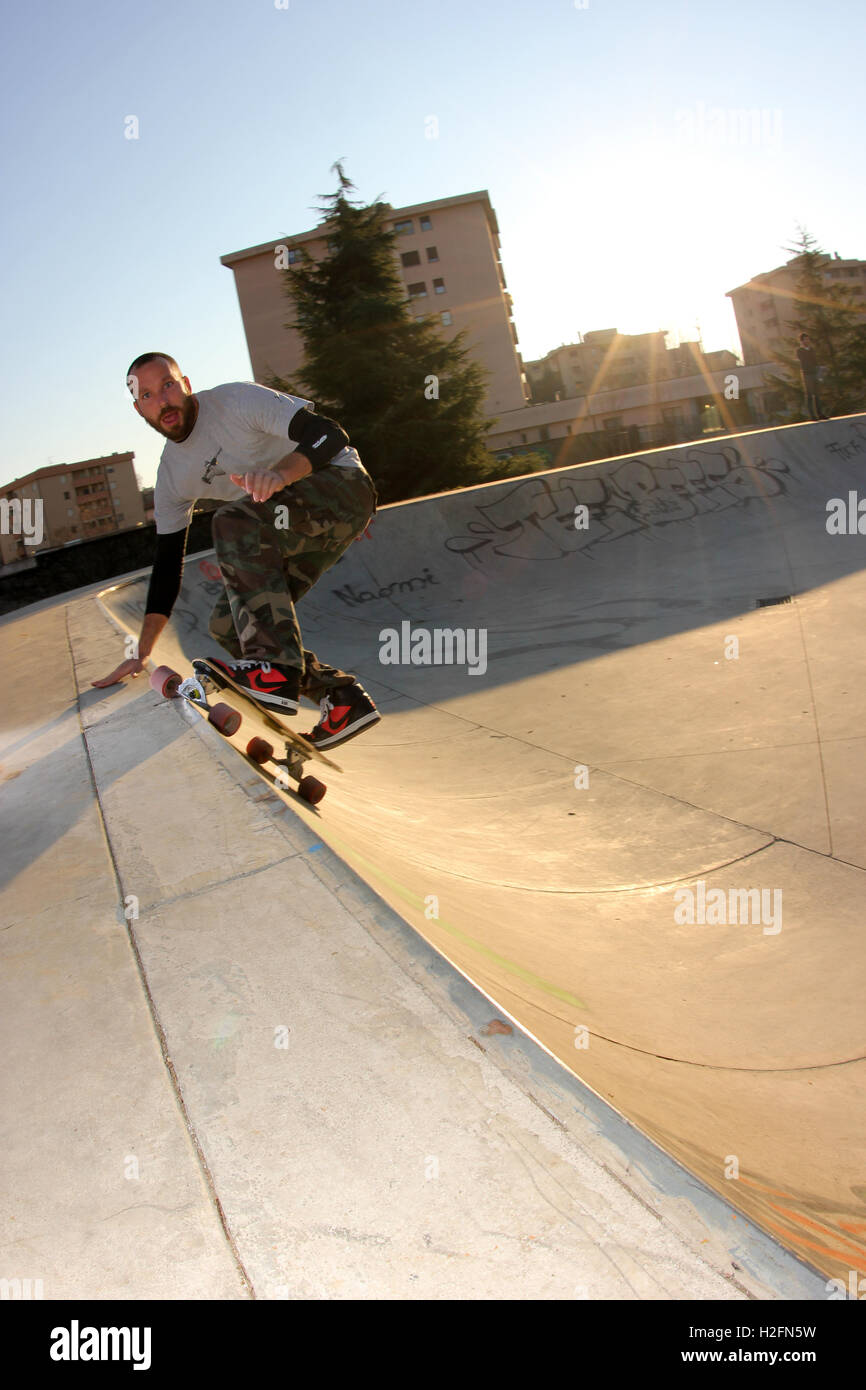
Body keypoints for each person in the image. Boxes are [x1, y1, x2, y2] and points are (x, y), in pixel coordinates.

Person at [93, 353, 380, 749]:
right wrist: (141, 653)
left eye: (168, 385)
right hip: (290, 527)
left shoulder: (236, 402)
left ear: (187, 384)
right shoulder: (171, 476)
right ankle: (341, 699)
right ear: (139, 409)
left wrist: (280, 475)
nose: (163, 401)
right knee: (230, 625)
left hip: (340, 486)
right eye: (147, 396)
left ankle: (274, 668)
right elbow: (166, 566)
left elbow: (328, 434)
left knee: (232, 520)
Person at [796, 333, 828, 421]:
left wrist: (820, 369)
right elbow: (804, 361)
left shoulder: (812, 350)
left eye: (808, 339)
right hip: (807, 374)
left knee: (817, 395)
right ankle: (812, 416)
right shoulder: (800, 350)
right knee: (809, 395)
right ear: (802, 341)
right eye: (805, 339)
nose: (807, 341)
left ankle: (820, 414)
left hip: (815, 373)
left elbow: (815, 361)